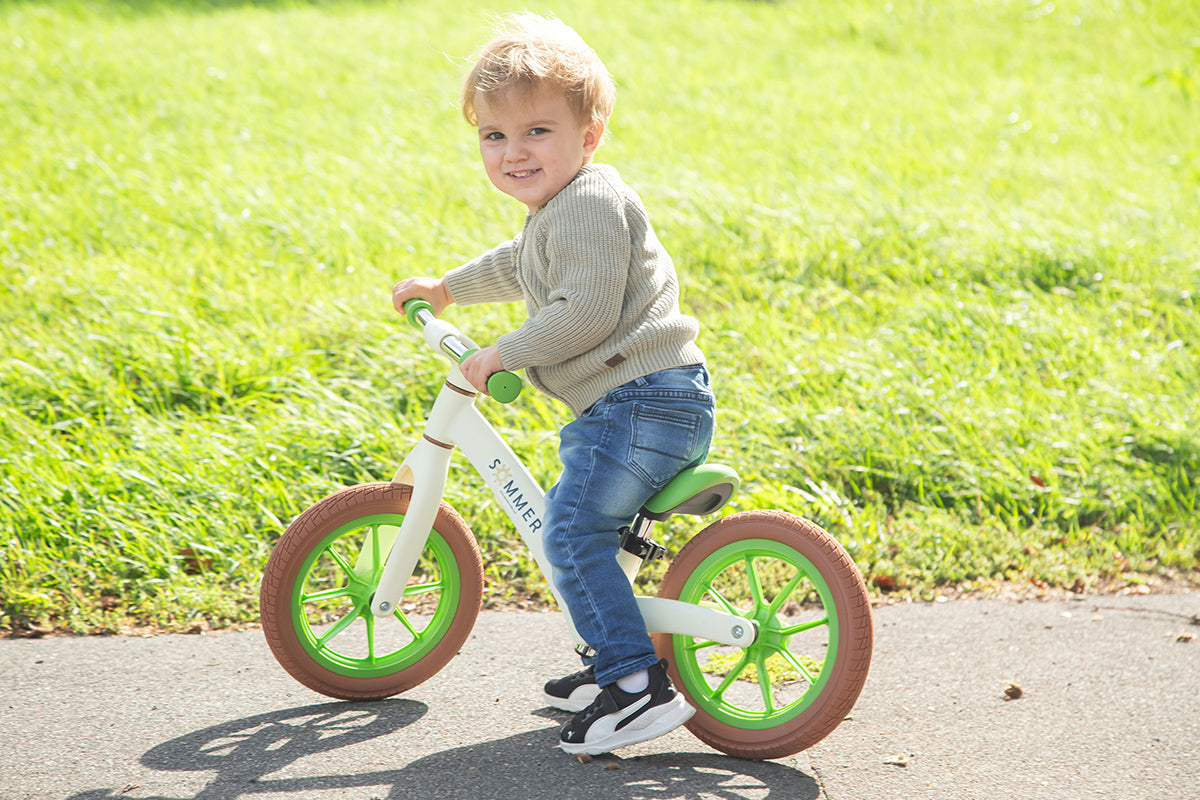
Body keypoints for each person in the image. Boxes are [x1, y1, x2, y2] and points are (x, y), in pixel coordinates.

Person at [391, 13, 715, 756]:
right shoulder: (556, 212)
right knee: (587, 529)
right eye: (494, 137)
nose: (513, 153)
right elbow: (520, 265)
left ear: (589, 134)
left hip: (645, 403)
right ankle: (612, 654)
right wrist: (446, 290)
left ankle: (636, 686)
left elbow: (584, 312)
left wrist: (503, 352)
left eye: (537, 131)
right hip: (638, 403)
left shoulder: (593, 206)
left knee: (569, 532)